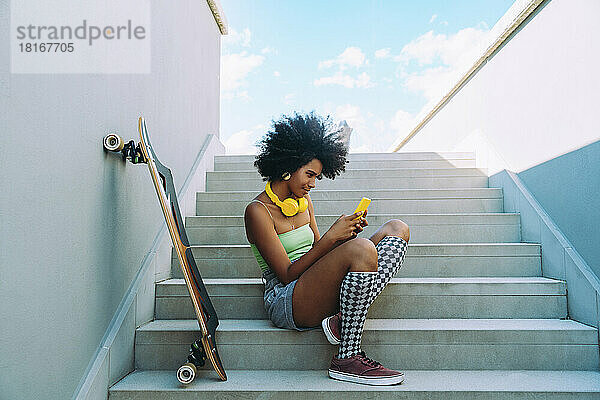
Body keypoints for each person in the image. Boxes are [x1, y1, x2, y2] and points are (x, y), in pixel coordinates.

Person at [244, 112, 410, 386]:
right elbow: (287, 274)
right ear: (289, 166)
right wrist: (333, 240)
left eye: (317, 178)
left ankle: (344, 318)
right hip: (286, 297)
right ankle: (347, 357)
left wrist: (345, 237)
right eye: (309, 175)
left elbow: (320, 253)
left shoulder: (304, 201)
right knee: (362, 250)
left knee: (397, 228)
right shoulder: (257, 211)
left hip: (314, 284)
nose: (312, 184)